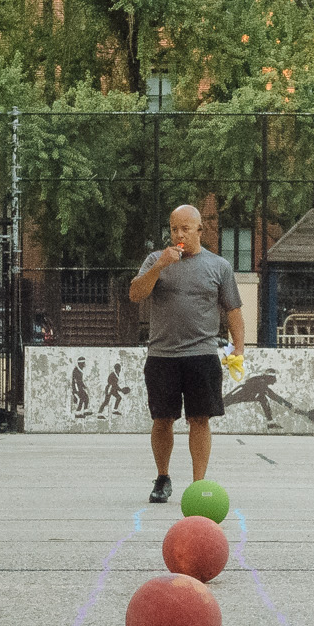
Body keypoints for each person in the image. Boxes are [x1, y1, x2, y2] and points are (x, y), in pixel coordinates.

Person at [127, 204, 244, 504]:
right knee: (162, 419)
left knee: (200, 419)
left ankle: (198, 483)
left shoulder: (219, 266)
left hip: (201, 354)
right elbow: (135, 294)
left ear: (199, 231)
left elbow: (233, 310)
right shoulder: (155, 259)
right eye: (174, 229)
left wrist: (239, 348)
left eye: (185, 229)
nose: (178, 234)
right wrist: (159, 266)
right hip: (162, 355)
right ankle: (162, 477)